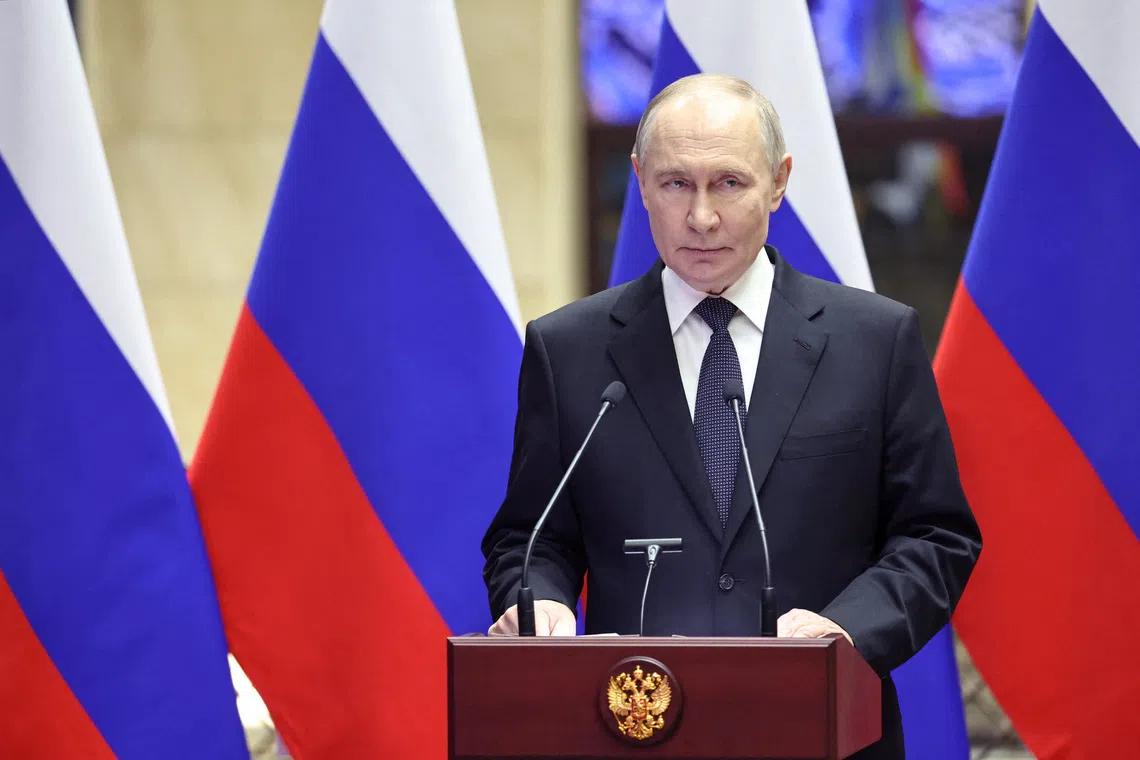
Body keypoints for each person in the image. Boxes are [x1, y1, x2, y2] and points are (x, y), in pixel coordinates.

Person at [480, 73, 981, 759]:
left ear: (778, 181)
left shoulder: (874, 341)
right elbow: (530, 541)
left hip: (821, 731)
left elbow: (935, 536)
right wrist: (540, 605)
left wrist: (847, 629)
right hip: (633, 728)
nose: (702, 218)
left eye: (729, 184)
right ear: (640, 182)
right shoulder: (569, 349)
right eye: (676, 184)